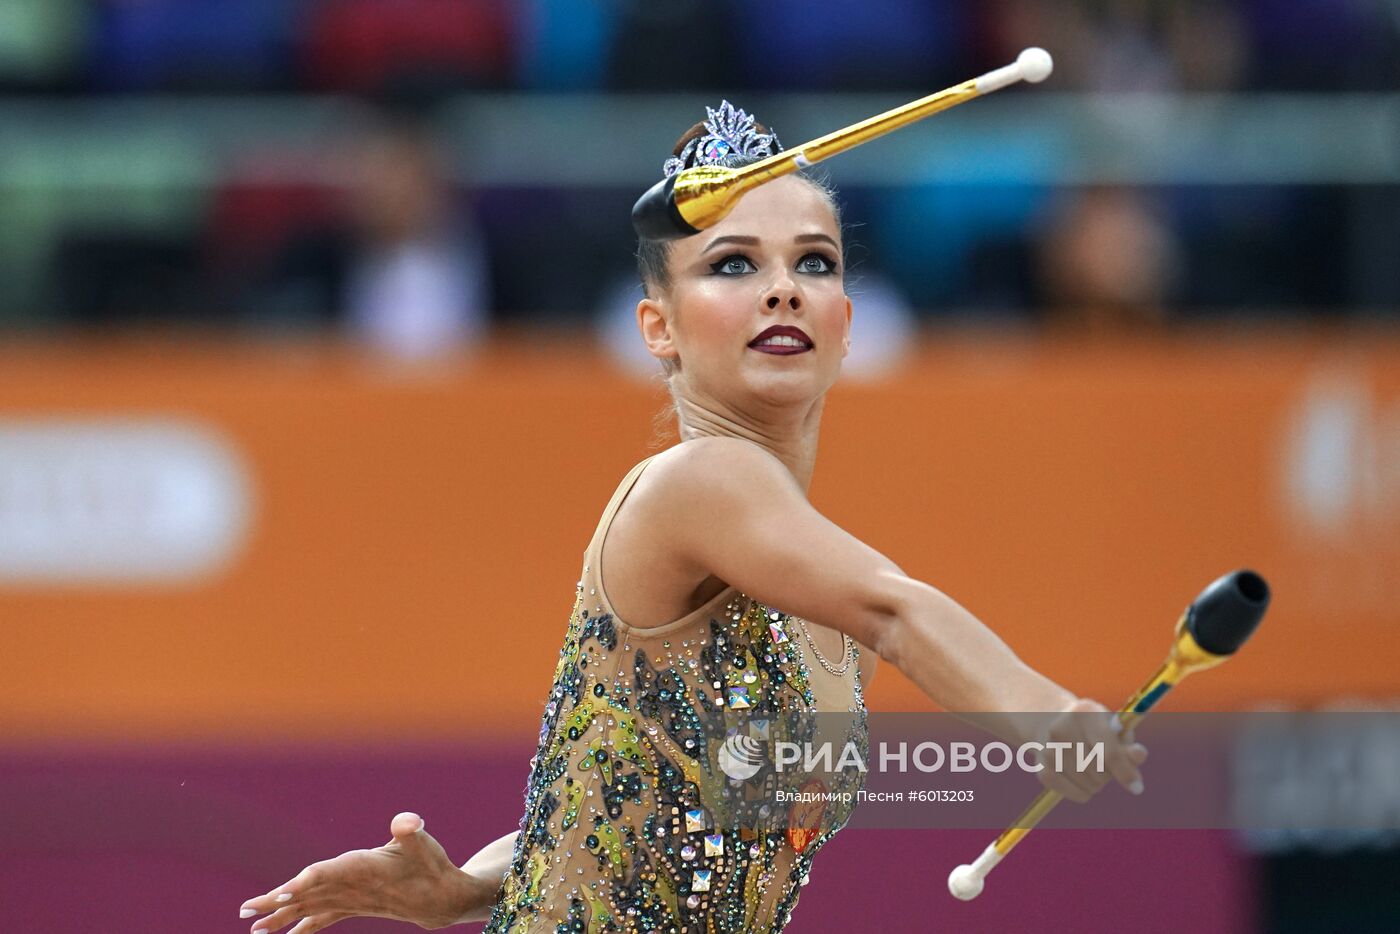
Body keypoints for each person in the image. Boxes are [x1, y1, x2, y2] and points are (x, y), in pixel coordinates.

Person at [238, 101, 1148, 934]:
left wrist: (469, 888)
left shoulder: (829, 634)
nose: (783, 289)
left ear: (845, 323)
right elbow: (897, 609)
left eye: (814, 262)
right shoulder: (698, 484)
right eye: (733, 264)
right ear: (658, 328)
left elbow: (641, 809)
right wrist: (1050, 716)